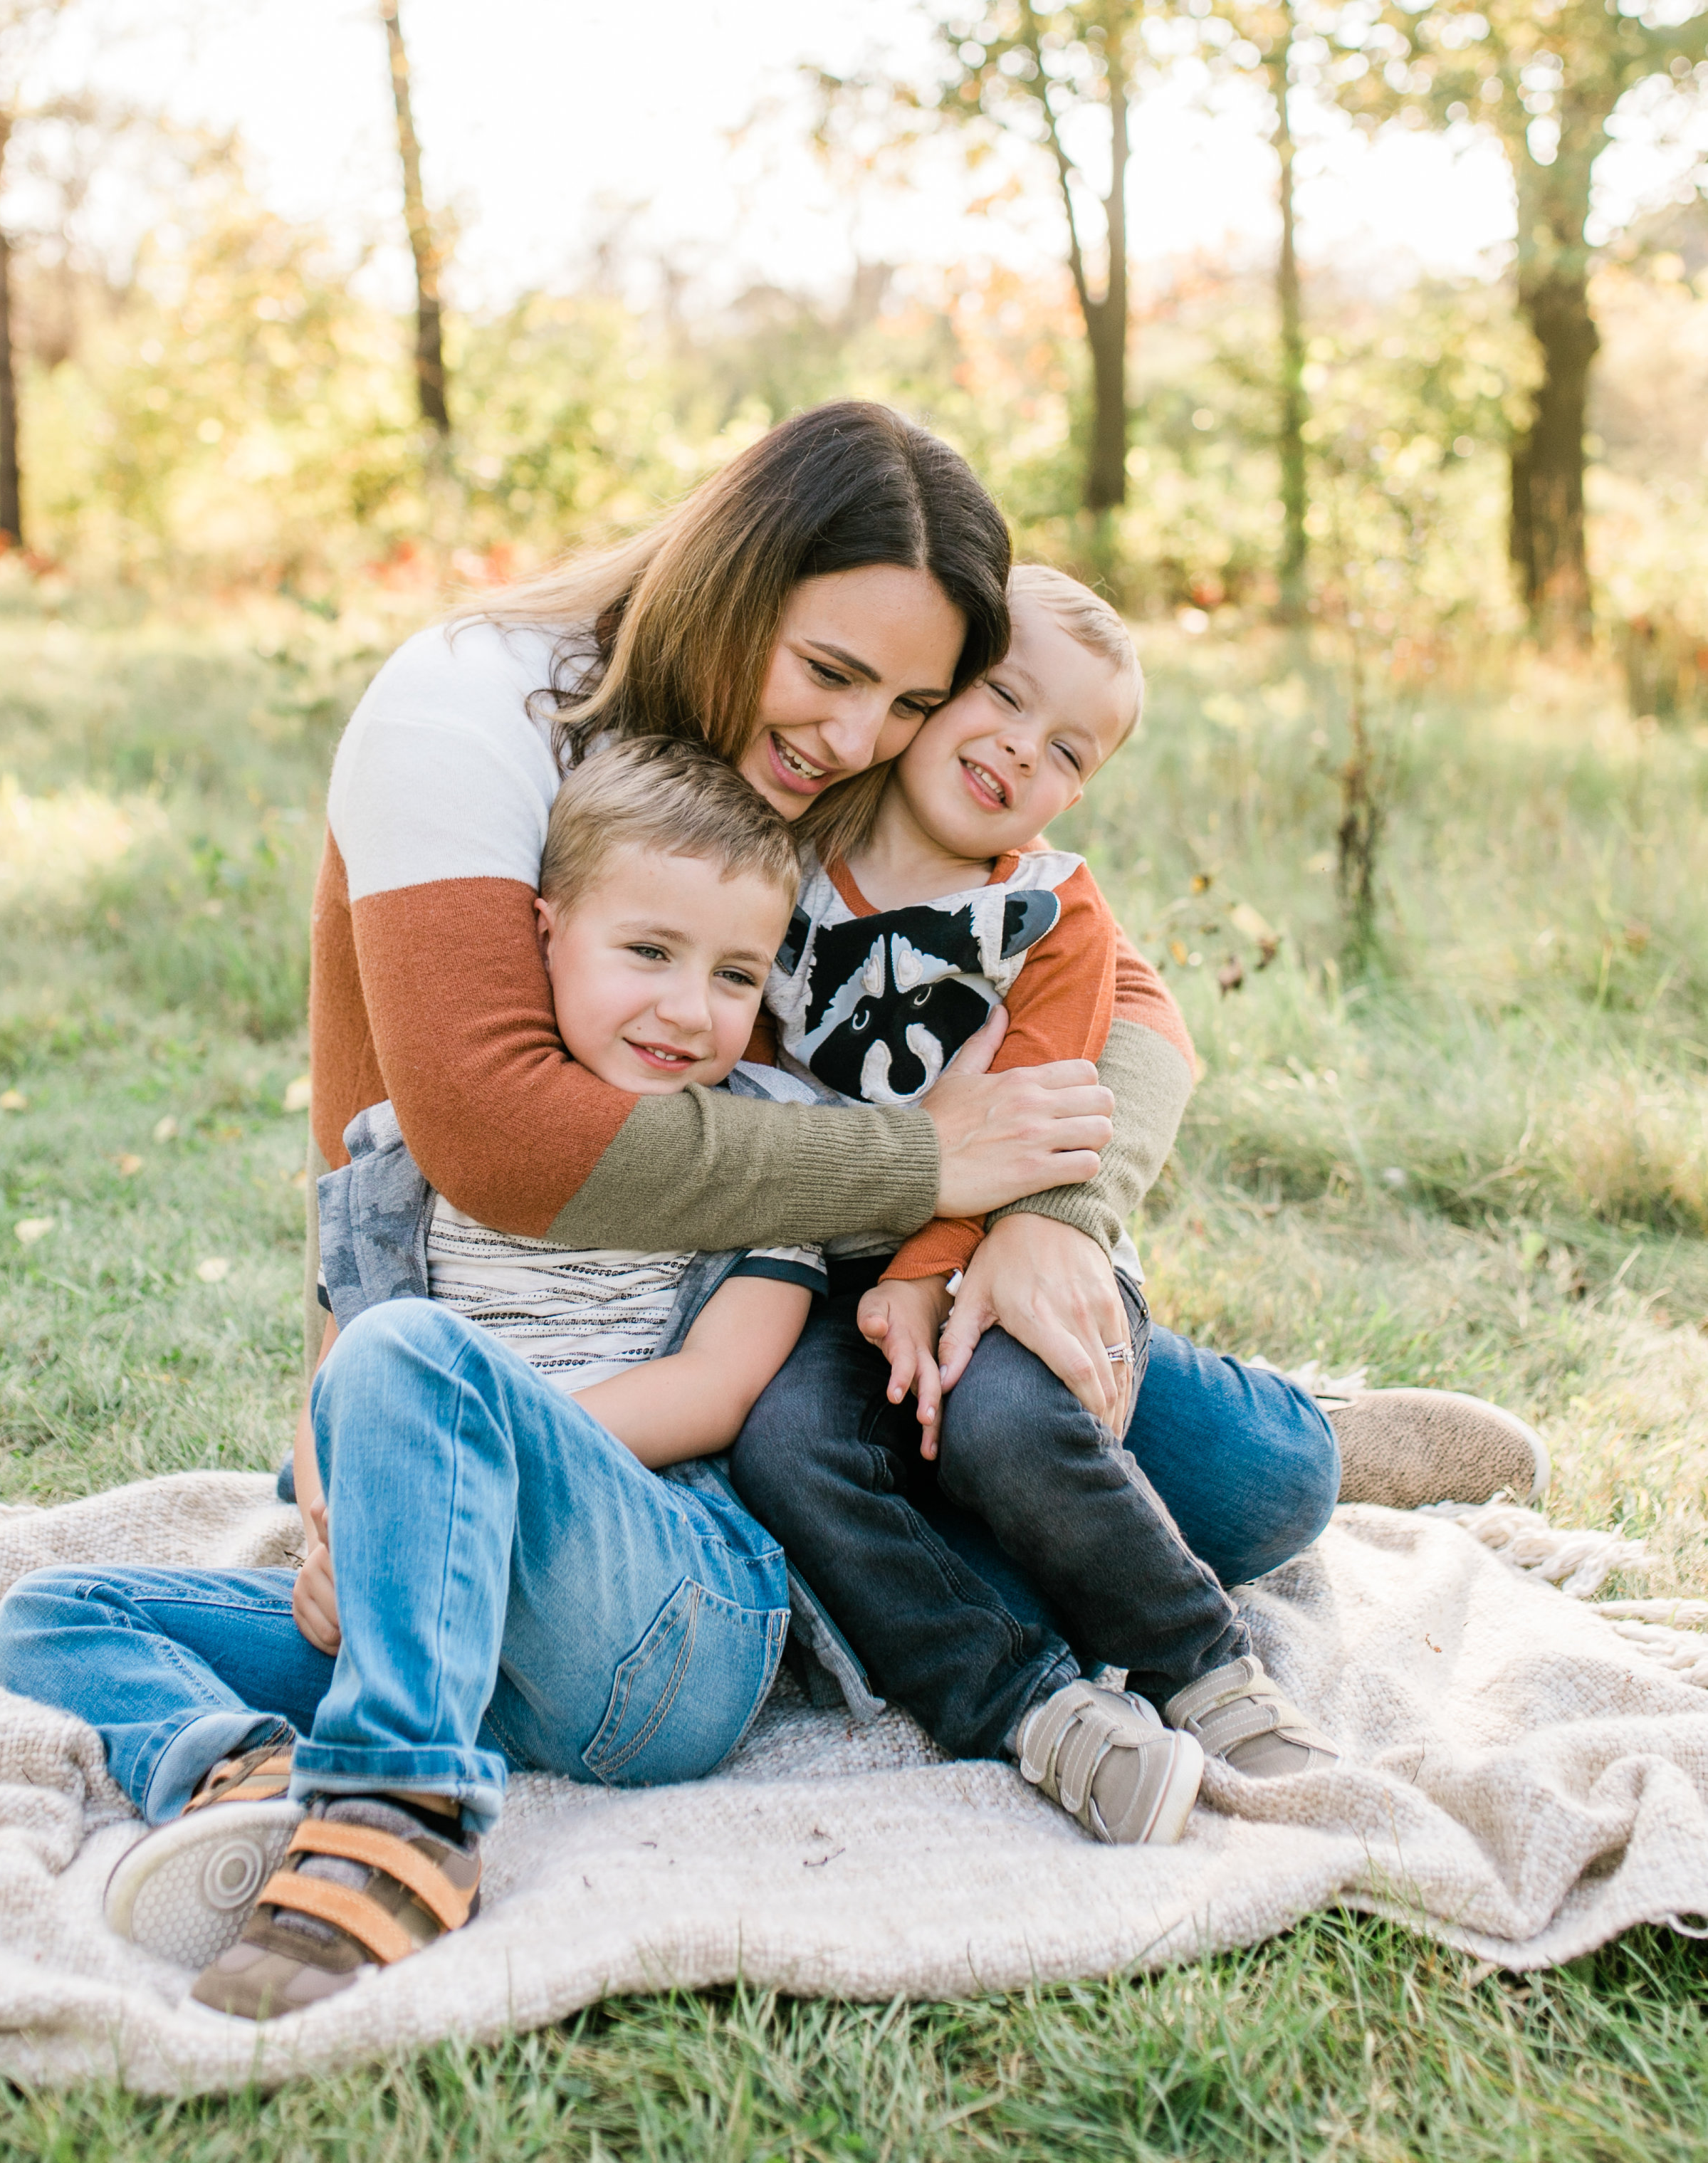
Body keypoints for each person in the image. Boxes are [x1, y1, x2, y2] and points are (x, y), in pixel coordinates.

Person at [298, 397, 1542, 1571]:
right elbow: (496, 1133)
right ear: (730, 588)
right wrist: (920, 1161)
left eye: (911, 702)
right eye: (831, 671)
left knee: (1236, 1492)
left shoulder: (832, 752)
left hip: (782, 1293)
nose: (854, 738)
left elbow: (1134, 1003)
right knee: (858, 1543)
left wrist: (1051, 1219)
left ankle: (1277, 1421)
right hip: (508, 1308)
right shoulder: (469, 708)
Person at [0, 739, 837, 2018]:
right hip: (436, 1615)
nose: (689, 1007)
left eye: (735, 974)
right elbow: (336, 1375)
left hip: (664, 1628)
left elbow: (717, 1388)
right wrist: (341, 1527)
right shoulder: (419, 1149)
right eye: (648, 952)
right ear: (542, 934)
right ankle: (245, 1777)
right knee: (51, 1613)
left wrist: (450, 1458)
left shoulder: (774, 1144)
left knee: (418, 1361)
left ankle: (399, 1812)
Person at [733, 569, 1335, 1846]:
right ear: (937, 687)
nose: (1020, 746)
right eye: (1004, 696)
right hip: (819, 1278)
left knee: (1009, 1417)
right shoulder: (781, 853)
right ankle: (1023, 1705)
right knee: (786, 1446)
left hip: (999, 1259)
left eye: (1067, 748)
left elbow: (1044, 1114)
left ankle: (1203, 1663)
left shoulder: (1049, 915)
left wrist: (933, 1265)